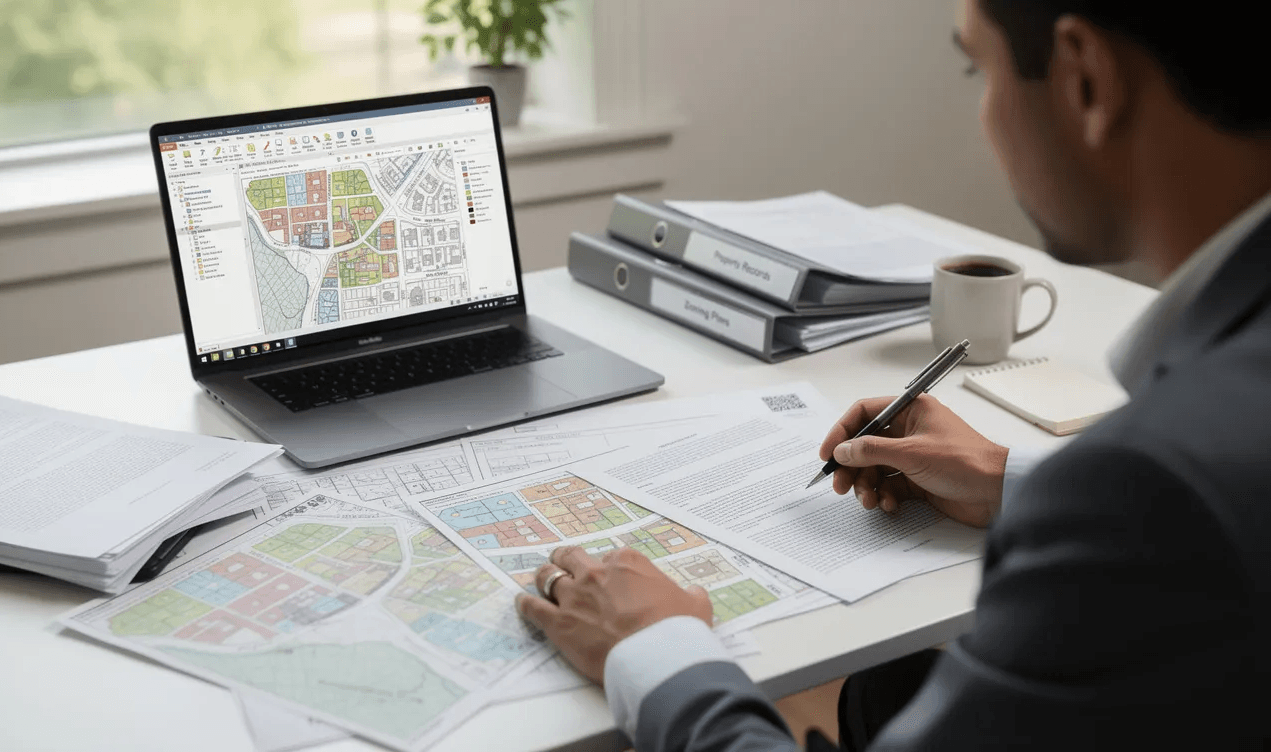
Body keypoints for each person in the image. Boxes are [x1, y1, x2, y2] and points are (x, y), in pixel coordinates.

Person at [514, 1, 1271, 749]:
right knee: (887, 690)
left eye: (979, 68)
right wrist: (1008, 476)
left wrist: (654, 648)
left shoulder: (1153, 485)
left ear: (1086, 80)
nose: (983, 112)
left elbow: (1176, 503)